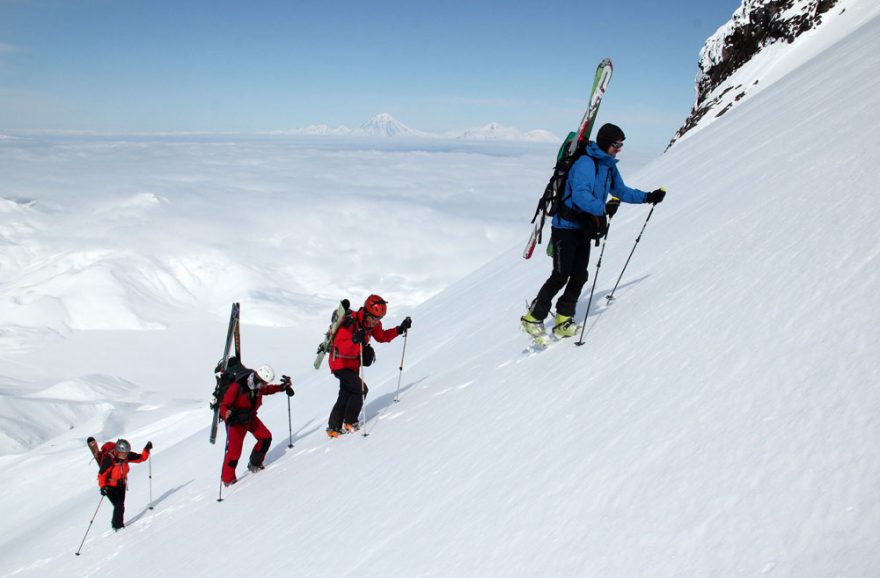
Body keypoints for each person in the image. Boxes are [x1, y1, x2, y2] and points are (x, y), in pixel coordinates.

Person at [521, 123, 666, 342]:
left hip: (584, 227)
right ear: (607, 143)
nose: (619, 149)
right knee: (560, 275)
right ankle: (532, 318)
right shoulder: (585, 163)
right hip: (565, 228)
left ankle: (563, 320)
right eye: (616, 145)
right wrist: (603, 208)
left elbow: (620, 190)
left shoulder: (608, 165)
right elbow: (580, 195)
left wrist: (647, 197)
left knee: (580, 275)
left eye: (621, 145)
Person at [326, 294, 411, 438]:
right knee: (361, 389)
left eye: (379, 319)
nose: (376, 322)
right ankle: (350, 422)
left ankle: (333, 428)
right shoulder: (349, 323)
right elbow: (340, 347)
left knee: (346, 393)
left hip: (353, 364)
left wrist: (399, 329)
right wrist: (354, 340)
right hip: (339, 362)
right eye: (374, 318)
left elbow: (382, 336)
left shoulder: (372, 324)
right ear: (366, 312)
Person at [220, 364, 294, 486]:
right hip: (236, 422)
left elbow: (268, 390)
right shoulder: (237, 387)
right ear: (258, 378)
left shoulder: (258, 386)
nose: (264, 385)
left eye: (266, 383)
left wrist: (282, 387)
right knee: (234, 453)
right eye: (264, 382)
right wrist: (226, 414)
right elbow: (224, 405)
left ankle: (255, 463)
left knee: (265, 437)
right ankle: (228, 479)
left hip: (250, 417)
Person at [94, 437, 152, 531]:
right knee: (119, 505)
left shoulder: (127, 456)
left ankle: (118, 525)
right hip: (110, 486)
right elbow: (101, 475)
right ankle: (117, 526)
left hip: (121, 485)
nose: (125, 456)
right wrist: (103, 487)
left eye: (126, 453)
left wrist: (146, 449)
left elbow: (141, 458)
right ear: (117, 451)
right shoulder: (109, 460)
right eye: (122, 453)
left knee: (120, 505)